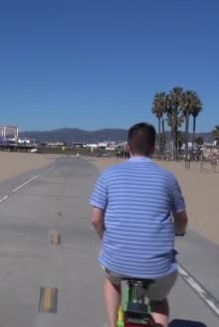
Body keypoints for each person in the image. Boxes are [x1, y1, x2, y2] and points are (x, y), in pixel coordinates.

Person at [90, 122, 188, 327]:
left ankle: (112, 324)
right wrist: (179, 231)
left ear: (128, 147)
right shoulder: (168, 178)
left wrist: (105, 237)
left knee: (111, 281)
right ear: (154, 149)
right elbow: (181, 220)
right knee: (158, 299)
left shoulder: (108, 175)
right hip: (158, 267)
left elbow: (96, 219)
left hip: (117, 259)